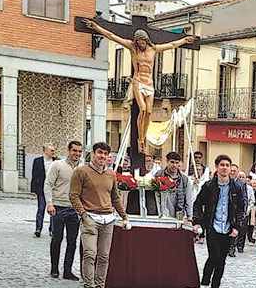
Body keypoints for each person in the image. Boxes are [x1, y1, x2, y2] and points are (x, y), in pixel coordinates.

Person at [83, 20, 196, 152]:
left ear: (146, 40)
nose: (141, 44)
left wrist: (184, 40)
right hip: (138, 81)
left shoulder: (153, 49)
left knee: (148, 111)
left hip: (149, 83)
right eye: (139, 42)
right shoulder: (132, 48)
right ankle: (140, 139)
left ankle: (143, 136)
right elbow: (112, 36)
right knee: (142, 109)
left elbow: (171, 44)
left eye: (142, 41)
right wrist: (96, 27)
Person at [68, 141, 131, 288]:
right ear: (93, 154)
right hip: (90, 218)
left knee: (103, 256)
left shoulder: (111, 174)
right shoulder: (81, 172)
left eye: (105, 154)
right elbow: (74, 195)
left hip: (108, 219)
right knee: (90, 254)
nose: (102, 156)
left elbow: (115, 197)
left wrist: (124, 216)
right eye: (100, 153)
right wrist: (83, 215)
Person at [192, 155, 244, 288]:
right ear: (216, 167)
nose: (225, 168)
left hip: (228, 227)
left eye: (227, 165)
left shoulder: (237, 187)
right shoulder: (209, 186)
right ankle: (205, 284)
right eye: (222, 165)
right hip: (213, 226)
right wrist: (198, 221)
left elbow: (241, 208)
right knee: (213, 256)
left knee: (221, 260)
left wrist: (237, 226)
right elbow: (198, 204)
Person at [45, 140, 83, 280]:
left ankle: (68, 270)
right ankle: (54, 268)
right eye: (74, 151)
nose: (77, 154)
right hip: (58, 207)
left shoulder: (82, 168)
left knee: (72, 241)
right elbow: (48, 184)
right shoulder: (57, 165)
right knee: (57, 239)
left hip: (75, 209)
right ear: (68, 150)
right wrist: (49, 203)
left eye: (79, 151)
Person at [31, 143, 57, 237]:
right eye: (51, 150)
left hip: (53, 189)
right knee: (41, 209)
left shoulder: (56, 161)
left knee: (53, 210)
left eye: (54, 150)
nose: (53, 152)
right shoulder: (37, 161)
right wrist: (33, 189)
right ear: (46, 151)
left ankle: (52, 229)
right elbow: (34, 175)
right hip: (41, 188)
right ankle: (38, 229)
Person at [159, 151, 193, 221]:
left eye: (177, 163)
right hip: (161, 213)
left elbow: (188, 199)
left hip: (178, 214)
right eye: (172, 162)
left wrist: (189, 217)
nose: (174, 165)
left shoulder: (184, 179)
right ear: (167, 161)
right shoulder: (158, 175)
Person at [230, 170, 254, 256]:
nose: (240, 178)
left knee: (242, 231)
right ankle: (231, 248)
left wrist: (246, 209)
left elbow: (250, 200)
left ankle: (240, 246)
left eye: (242, 177)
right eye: (239, 177)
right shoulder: (233, 186)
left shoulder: (249, 188)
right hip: (235, 212)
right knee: (234, 229)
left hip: (245, 212)